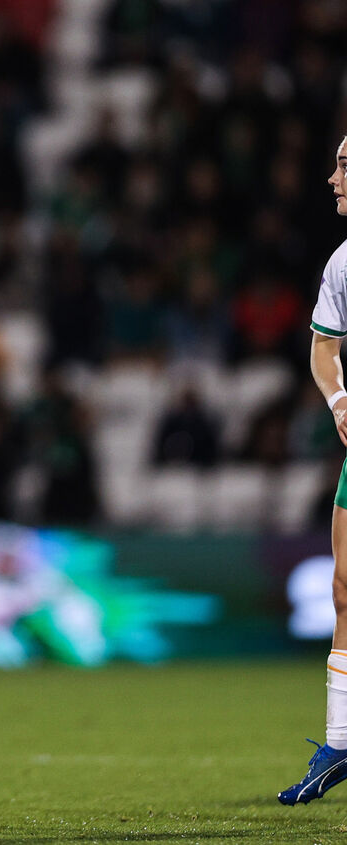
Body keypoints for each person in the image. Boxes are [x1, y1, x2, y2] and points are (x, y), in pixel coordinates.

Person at [280, 135, 347, 805]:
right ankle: (340, 741)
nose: (332, 177)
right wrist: (339, 399)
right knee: (346, 591)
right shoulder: (342, 263)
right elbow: (325, 349)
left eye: (345, 166)